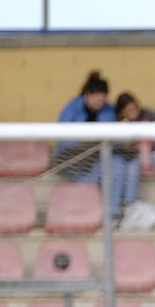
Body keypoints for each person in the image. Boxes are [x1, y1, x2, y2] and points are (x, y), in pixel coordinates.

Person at [54, 72, 139, 217]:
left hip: (98, 155)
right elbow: (64, 138)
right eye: (97, 100)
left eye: (103, 101)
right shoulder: (71, 107)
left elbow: (111, 138)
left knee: (119, 164)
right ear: (88, 94)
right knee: (91, 176)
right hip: (74, 157)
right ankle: (89, 214)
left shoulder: (108, 109)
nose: (100, 104)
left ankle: (113, 213)